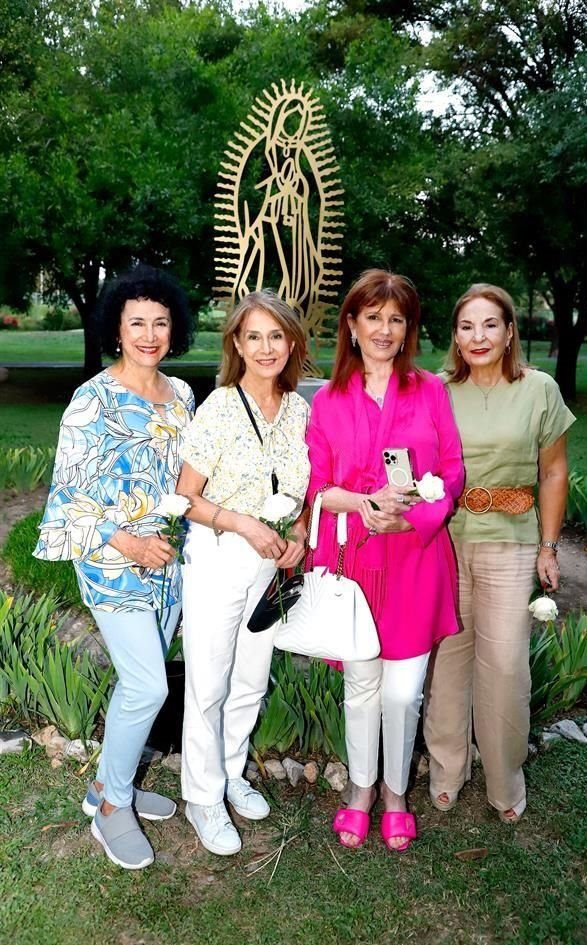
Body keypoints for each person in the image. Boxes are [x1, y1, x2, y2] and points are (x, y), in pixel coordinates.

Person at [34, 264, 195, 870]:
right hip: (111, 560)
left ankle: (105, 784)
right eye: (137, 324)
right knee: (149, 685)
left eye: (160, 322)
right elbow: (65, 498)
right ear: (117, 329)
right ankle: (111, 811)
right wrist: (125, 541)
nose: (149, 334)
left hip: (168, 561)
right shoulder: (91, 400)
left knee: (139, 684)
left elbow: (187, 480)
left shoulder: (182, 396)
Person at [305, 269, 465, 851]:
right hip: (356, 560)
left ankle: (397, 792)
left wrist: (412, 517)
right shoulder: (326, 400)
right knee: (362, 687)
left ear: (408, 330)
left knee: (403, 692)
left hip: (416, 558)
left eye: (396, 319)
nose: (383, 329)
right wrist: (363, 502)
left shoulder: (430, 390)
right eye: (372, 317)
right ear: (351, 324)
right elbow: (316, 486)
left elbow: (451, 472)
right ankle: (361, 790)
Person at [423, 283, 575, 824]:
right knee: (447, 660)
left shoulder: (539, 390)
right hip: (444, 539)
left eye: (490, 324)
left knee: (505, 665)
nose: (478, 336)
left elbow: (554, 470)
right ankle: (446, 769)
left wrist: (549, 546)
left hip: (511, 540)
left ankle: (504, 778)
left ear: (510, 331)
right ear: (455, 337)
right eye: (467, 327)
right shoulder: (435, 389)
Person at [177, 289, 310, 856]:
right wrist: (243, 524)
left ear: (292, 344)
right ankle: (202, 797)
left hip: (270, 566)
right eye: (252, 336)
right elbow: (185, 498)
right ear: (236, 342)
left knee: (251, 678)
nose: (265, 347)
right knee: (208, 683)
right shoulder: (220, 407)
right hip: (219, 557)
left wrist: (299, 535)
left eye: (275, 336)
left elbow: (306, 492)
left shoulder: (301, 410)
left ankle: (230, 773)